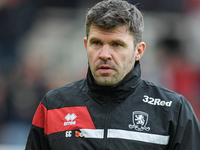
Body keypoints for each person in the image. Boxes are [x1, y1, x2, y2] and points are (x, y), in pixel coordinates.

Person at [25, 0, 200, 149]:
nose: (104, 54)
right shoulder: (54, 106)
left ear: (138, 51)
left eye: (117, 44)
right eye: (97, 43)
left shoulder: (172, 110)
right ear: (86, 45)